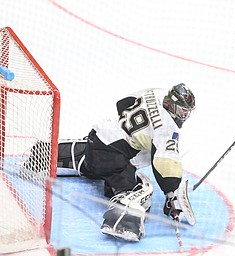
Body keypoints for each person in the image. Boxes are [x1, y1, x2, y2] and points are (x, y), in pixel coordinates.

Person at [56, 83, 196, 241]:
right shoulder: (168, 129)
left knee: (101, 159)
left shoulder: (156, 93)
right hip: (110, 157)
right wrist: (171, 195)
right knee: (140, 192)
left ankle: (46, 155)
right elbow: (166, 165)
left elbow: (123, 103)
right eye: (183, 111)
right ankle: (123, 222)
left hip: (98, 136)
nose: (184, 115)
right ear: (173, 105)